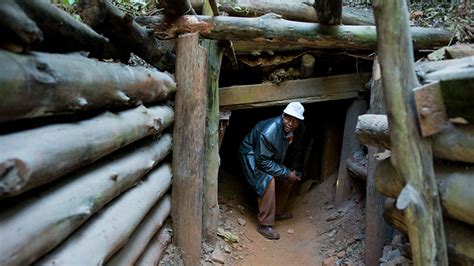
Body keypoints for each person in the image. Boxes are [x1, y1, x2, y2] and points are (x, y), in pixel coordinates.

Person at [239, 102, 305, 240]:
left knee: (289, 175)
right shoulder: (269, 131)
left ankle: (277, 213)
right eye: (288, 118)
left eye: (295, 121)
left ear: (299, 122)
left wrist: (291, 171)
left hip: (270, 155)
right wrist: (286, 173)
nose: (290, 123)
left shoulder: (298, 130)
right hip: (252, 155)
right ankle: (265, 224)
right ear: (282, 115)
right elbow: (261, 162)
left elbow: (296, 150)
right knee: (267, 179)